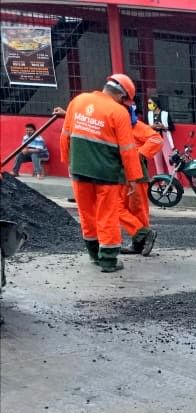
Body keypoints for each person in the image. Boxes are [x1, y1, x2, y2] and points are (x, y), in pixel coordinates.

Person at [60, 74, 146, 272]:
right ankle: (108, 260)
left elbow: (65, 136)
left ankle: (93, 254)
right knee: (107, 214)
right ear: (122, 97)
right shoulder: (118, 112)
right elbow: (127, 149)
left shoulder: (77, 101)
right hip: (106, 174)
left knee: (86, 214)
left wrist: (69, 164)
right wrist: (133, 178)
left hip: (79, 170)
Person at [118, 102, 162, 256]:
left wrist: (139, 154)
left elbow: (156, 140)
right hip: (120, 176)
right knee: (118, 208)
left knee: (138, 211)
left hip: (136, 175)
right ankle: (142, 236)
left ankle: (139, 242)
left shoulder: (138, 127)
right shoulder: (116, 128)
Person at [147, 96, 175, 176]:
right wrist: (152, 127)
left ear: (156, 104)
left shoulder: (164, 114)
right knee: (158, 162)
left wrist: (163, 127)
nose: (149, 105)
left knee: (169, 161)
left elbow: (172, 127)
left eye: (150, 103)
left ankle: (173, 180)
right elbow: (145, 127)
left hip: (164, 138)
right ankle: (162, 181)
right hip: (154, 139)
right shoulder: (149, 115)